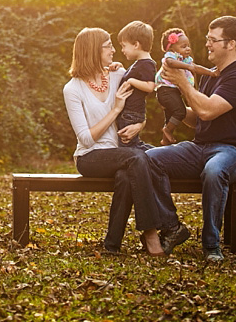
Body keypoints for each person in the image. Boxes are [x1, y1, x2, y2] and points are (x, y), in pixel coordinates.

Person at [146, 16, 236, 262]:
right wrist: (172, 109)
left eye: (213, 40)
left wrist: (182, 85)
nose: (207, 44)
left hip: (234, 152)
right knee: (148, 159)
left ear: (231, 44)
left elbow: (208, 110)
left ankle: (211, 246)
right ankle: (172, 227)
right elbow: (199, 118)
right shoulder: (210, 75)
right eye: (208, 39)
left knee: (214, 170)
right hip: (201, 147)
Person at [62, 27, 167, 255]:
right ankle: (152, 233)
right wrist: (116, 108)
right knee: (137, 157)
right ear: (92, 50)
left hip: (121, 155)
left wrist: (139, 125)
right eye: (108, 45)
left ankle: (112, 245)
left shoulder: (120, 75)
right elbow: (86, 138)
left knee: (127, 174)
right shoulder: (72, 89)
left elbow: (139, 112)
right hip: (90, 158)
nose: (113, 49)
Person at [155, 28, 217, 146]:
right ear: (172, 48)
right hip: (165, 90)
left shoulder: (185, 60)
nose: (188, 48)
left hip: (172, 91)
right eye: (183, 46)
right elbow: (170, 63)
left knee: (170, 116)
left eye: (188, 45)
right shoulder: (171, 56)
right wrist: (187, 67)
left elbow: (196, 67)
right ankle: (167, 130)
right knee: (180, 112)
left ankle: (165, 139)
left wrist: (211, 73)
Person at [115, 20, 157, 150]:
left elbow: (150, 86)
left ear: (136, 45)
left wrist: (131, 81)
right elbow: (132, 75)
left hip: (132, 113)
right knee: (131, 145)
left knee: (129, 146)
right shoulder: (139, 63)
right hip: (128, 112)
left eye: (124, 46)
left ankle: (157, 156)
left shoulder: (147, 63)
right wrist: (120, 67)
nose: (122, 50)